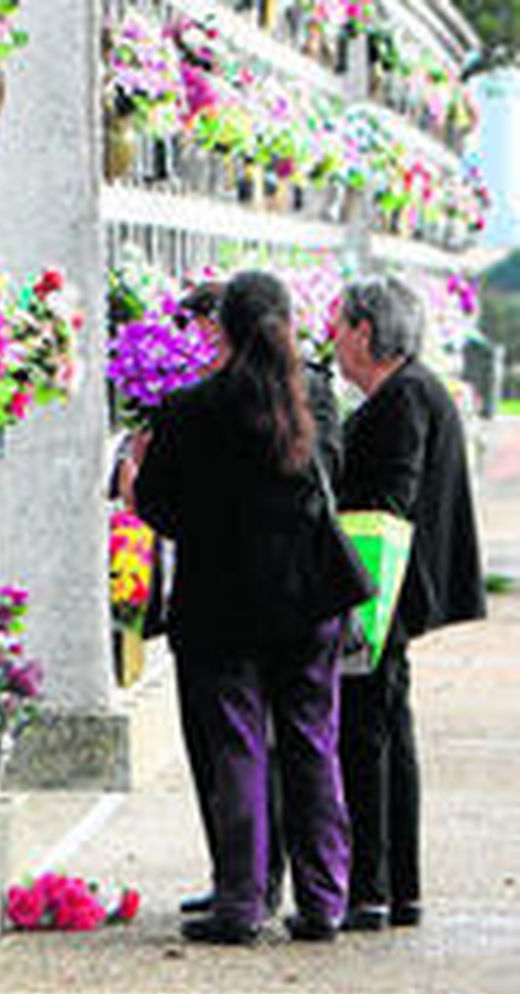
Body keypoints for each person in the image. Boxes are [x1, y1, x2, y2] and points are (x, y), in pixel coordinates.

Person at [135, 270, 372, 944]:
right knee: (312, 743)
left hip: (222, 600)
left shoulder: (187, 409)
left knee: (238, 746)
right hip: (310, 596)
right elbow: (333, 474)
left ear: (224, 330)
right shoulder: (317, 399)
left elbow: (160, 507)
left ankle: (242, 902)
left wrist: (139, 484)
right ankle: (325, 900)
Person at [332, 277, 486, 931]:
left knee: (368, 735)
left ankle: (371, 887)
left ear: (365, 332)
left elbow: (390, 501)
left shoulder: (403, 399)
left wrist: (350, 585)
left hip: (384, 590)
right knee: (388, 730)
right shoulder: (413, 390)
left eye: (340, 326)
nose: (333, 339)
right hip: (394, 588)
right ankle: (396, 888)